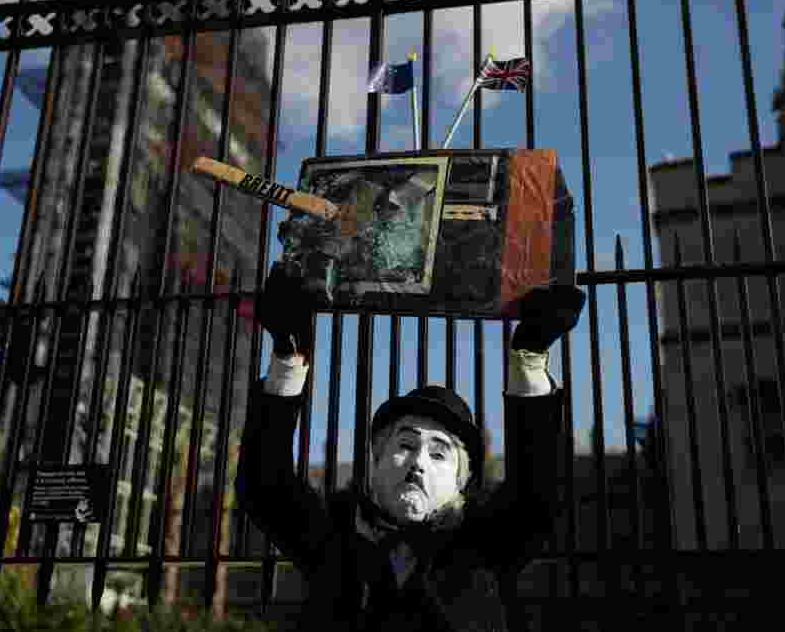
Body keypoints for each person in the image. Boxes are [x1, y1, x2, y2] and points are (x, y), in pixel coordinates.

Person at [236, 264, 586, 631]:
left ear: (460, 482)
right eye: (405, 444)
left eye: (439, 453)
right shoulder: (334, 536)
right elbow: (265, 486)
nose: (418, 462)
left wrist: (529, 358)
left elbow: (537, 491)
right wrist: (288, 360)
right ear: (377, 461)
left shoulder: (485, 540)